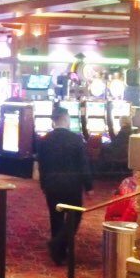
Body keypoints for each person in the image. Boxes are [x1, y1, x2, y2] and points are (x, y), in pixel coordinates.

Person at [37, 106, 93, 265]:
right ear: (66, 119)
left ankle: (59, 253)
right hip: (72, 185)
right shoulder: (76, 139)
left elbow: (42, 165)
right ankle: (58, 244)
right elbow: (83, 164)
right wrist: (88, 186)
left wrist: (44, 184)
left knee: (56, 218)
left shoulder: (44, 140)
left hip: (52, 184)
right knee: (75, 215)